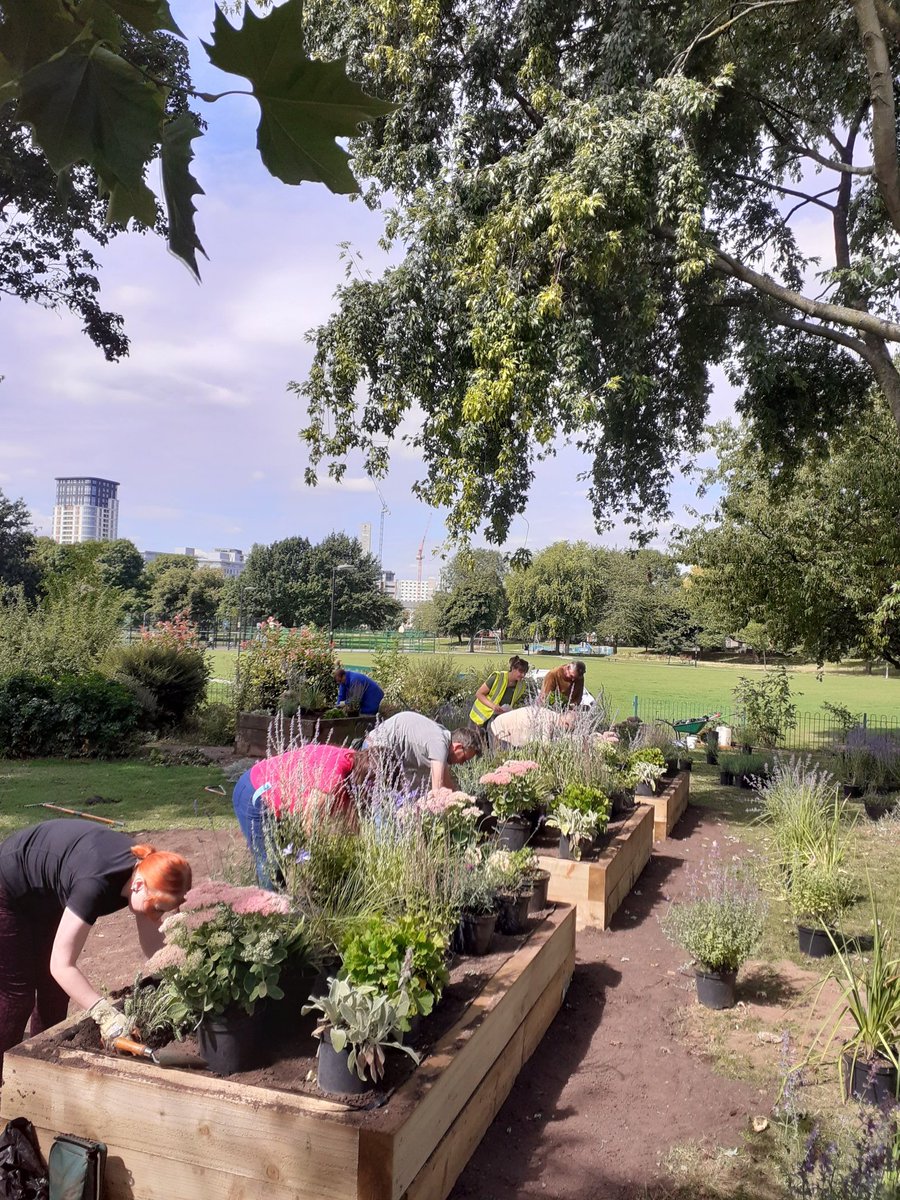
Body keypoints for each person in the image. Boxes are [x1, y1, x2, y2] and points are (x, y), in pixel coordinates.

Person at [0, 820, 191, 1076]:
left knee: (55, 989)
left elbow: (154, 949)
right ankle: (3, 1076)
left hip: (46, 890)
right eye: (156, 909)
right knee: (17, 994)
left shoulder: (145, 872)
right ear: (137, 885)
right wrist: (105, 1014)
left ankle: (40, 1070)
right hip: (8, 886)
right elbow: (61, 964)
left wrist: (180, 981)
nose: (157, 917)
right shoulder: (95, 886)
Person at [232, 744, 374, 888]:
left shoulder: (356, 761)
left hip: (273, 796)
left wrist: (364, 847)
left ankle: (278, 904)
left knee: (280, 858)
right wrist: (317, 862)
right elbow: (310, 824)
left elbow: (353, 816)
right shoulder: (333, 774)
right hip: (255, 792)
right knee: (269, 862)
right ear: (366, 777)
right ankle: (269, 907)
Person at [365, 712, 482, 794]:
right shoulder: (439, 744)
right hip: (376, 749)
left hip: (384, 750)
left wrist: (463, 801)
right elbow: (438, 788)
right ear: (457, 747)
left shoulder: (442, 736)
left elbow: (447, 783)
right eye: (464, 759)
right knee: (380, 802)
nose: (462, 764)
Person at [468, 656, 529, 737]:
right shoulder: (497, 677)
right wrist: (493, 706)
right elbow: (479, 694)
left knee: (490, 746)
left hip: (497, 720)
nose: (523, 675)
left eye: (525, 672)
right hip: (479, 718)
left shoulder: (522, 686)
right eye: (520, 672)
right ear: (513, 669)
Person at [490, 705, 574, 749]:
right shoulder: (548, 721)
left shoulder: (549, 713)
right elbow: (546, 747)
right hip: (500, 730)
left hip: (499, 723)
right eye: (567, 730)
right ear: (565, 724)